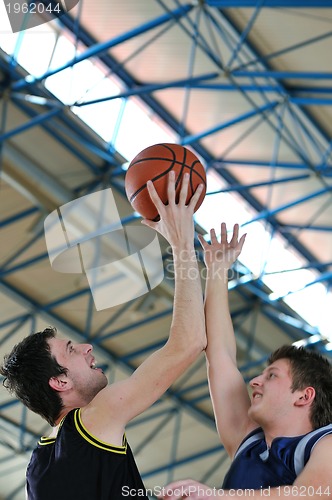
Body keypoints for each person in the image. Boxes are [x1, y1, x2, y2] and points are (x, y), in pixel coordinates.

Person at [0, 171, 206, 500]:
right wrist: (182, 243)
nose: (86, 347)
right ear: (60, 382)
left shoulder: (37, 467)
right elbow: (189, 343)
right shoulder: (90, 422)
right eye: (70, 350)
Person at [160, 223, 332, 499]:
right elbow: (219, 354)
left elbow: (310, 495)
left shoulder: (325, 444)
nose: (255, 381)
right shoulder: (248, 440)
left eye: (272, 375)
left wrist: (215, 496)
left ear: (304, 395)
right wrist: (217, 270)